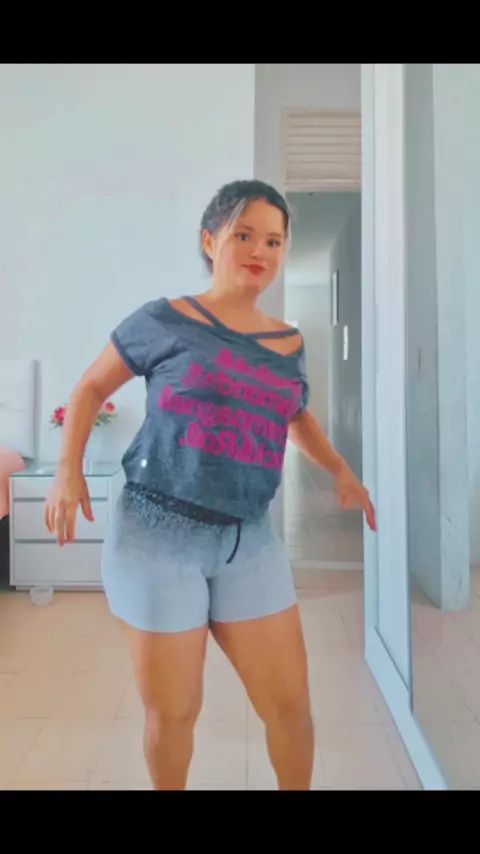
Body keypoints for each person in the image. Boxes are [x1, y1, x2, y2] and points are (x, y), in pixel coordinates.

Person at [45, 179, 376, 791]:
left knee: (291, 708)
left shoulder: (288, 342)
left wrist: (340, 469)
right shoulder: (165, 319)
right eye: (243, 235)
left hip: (249, 539)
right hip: (157, 536)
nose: (260, 251)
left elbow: (294, 413)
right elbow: (90, 387)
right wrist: (68, 471)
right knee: (174, 714)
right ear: (209, 240)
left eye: (273, 240)